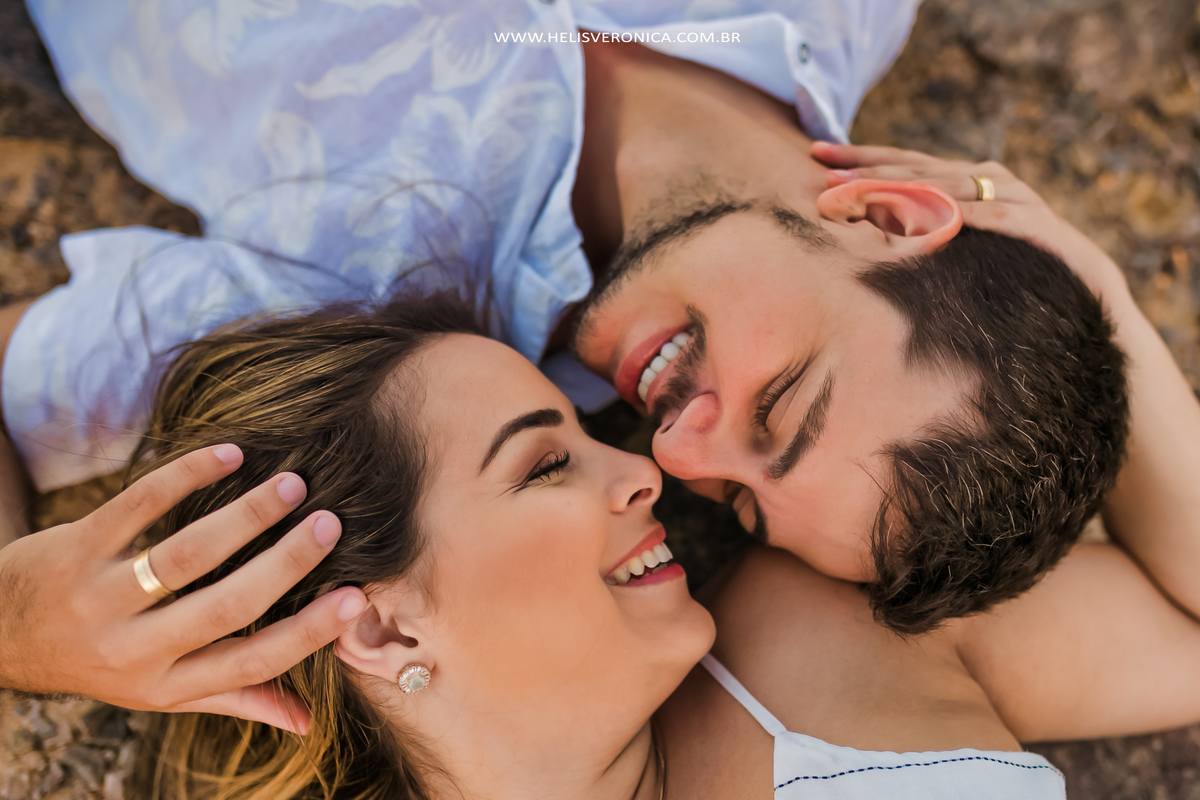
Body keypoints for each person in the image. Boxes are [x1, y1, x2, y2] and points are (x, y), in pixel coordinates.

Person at [0, 0, 1127, 724]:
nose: (677, 446)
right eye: (780, 403)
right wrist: (1090, 277)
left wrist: (17, 625)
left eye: (734, 498)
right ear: (886, 213)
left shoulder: (381, 308)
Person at [120, 179, 1199, 797]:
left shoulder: (812, 631)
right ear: (387, 632)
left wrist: (1077, 278)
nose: (650, 465)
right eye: (545, 463)